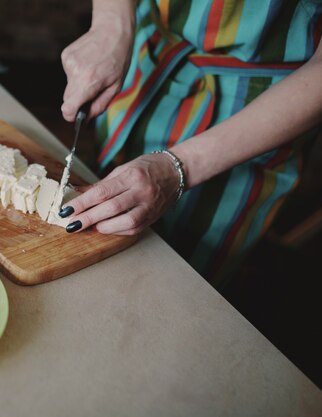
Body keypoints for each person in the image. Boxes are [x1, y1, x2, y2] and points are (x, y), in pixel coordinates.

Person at [58, 0, 322, 289]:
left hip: (265, 114)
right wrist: (112, 24)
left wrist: (179, 168)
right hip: (148, 56)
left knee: (169, 279)